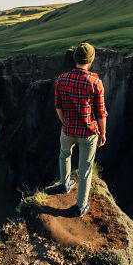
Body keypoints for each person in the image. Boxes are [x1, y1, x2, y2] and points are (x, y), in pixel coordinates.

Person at [54, 42, 108, 217]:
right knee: (85, 170)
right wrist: (103, 133)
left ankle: (64, 184)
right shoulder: (95, 82)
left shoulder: (61, 79)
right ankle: (80, 206)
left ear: (75, 59)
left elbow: (58, 106)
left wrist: (65, 122)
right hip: (88, 132)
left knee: (64, 155)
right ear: (90, 61)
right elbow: (101, 113)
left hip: (68, 129)